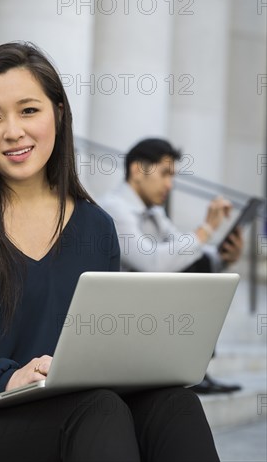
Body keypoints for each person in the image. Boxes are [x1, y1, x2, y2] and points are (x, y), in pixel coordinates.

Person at [0, 44, 221, 462]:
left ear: (60, 112)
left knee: (176, 405)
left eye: (29, 110)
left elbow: (99, 344)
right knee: (98, 411)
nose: (13, 131)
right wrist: (7, 378)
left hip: (69, 409)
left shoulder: (95, 226)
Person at [99, 138, 244, 394]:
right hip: (122, 315)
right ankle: (191, 369)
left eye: (173, 176)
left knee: (197, 263)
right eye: (165, 173)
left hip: (150, 305)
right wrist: (206, 229)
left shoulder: (154, 212)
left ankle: (196, 368)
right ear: (137, 170)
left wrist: (224, 257)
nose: (170, 185)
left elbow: (183, 251)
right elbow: (151, 262)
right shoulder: (114, 208)